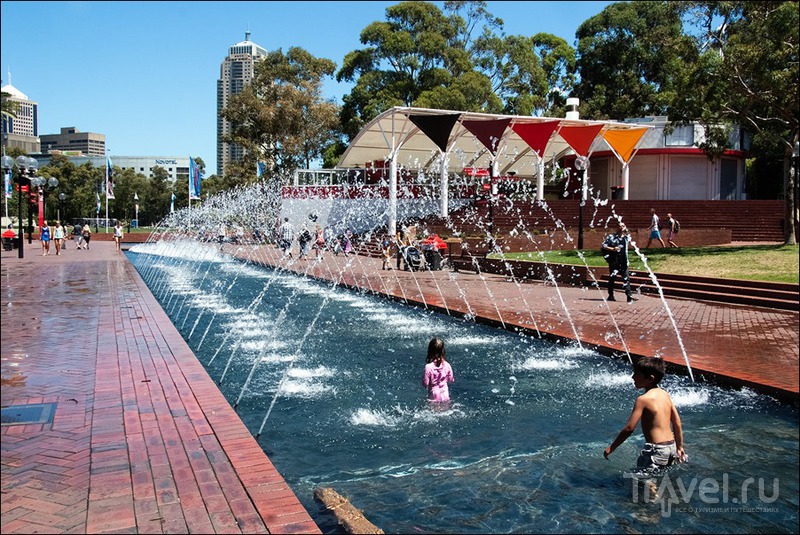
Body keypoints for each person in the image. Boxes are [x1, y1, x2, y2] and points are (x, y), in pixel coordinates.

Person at [604, 356, 686, 476]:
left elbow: (629, 428)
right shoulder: (664, 394)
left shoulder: (643, 400)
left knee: (645, 481)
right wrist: (679, 447)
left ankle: (656, 495)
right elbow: (677, 422)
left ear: (650, 379)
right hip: (671, 447)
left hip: (656, 450)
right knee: (658, 478)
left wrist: (612, 447)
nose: (633, 377)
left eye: (637, 374)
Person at [601, 222, 635, 303]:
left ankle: (629, 296)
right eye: (620, 226)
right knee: (612, 278)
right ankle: (611, 295)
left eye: (624, 225)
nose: (622, 227)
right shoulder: (611, 237)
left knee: (626, 279)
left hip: (624, 262)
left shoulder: (626, 237)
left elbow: (629, 233)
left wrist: (625, 230)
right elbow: (603, 245)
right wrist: (612, 249)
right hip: (614, 262)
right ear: (617, 227)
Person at [422, 337, 455, 403]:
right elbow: (451, 379)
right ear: (443, 351)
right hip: (445, 394)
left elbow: (425, 384)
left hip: (433, 395)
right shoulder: (447, 365)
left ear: (429, 351)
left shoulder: (428, 367)